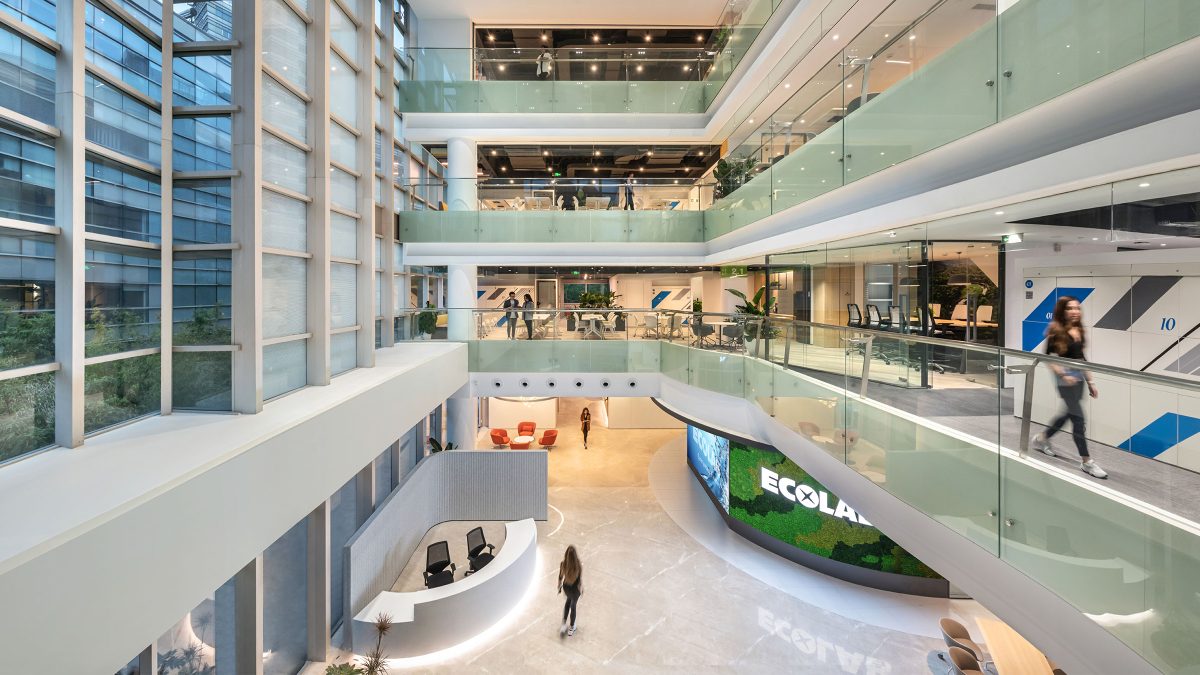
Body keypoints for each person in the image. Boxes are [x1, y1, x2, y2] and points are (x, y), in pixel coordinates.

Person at [1032, 296, 1108, 479]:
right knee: (1078, 419)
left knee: (1068, 414)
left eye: (1077, 308)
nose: (1075, 311)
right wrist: (1063, 375)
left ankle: (1042, 438)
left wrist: (1090, 382)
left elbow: (1081, 359)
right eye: (1070, 308)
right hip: (1064, 381)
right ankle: (1086, 462)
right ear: (1062, 311)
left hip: (1078, 379)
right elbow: (1048, 357)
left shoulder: (1079, 330)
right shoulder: (1055, 329)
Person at [557, 545, 583, 637]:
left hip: (566, 588)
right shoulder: (578, 564)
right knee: (573, 606)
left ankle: (564, 624)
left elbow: (560, 577)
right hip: (575, 589)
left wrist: (559, 587)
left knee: (567, 603)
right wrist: (581, 590)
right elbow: (579, 580)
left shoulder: (563, 564)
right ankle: (571, 627)